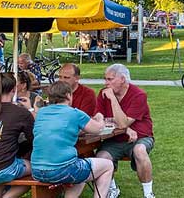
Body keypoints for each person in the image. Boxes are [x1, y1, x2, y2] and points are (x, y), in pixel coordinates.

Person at [31, 81, 114, 198]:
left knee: (81, 170)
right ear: (68, 95)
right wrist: (100, 117)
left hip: (37, 170)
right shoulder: (75, 113)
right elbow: (98, 129)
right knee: (108, 165)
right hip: (62, 169)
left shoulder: (41, 113)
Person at [93, 64, 155, 198]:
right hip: (115, 139)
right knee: (101, 157)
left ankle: (148, 194)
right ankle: (112, 189)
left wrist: (113, 101)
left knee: (139, 150)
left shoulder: (139, 95)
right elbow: (99, 118)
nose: (106, 83)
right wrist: (125, 128)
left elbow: (122, 122)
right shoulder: (103, 94)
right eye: (105, 79)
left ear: (122, 79)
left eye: (110, 79)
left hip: (140, 137)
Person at [0, 72, 34, 198]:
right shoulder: (21, 113)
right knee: (38, 171)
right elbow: (35, 139)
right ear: (14, 90)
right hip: (4, 167)